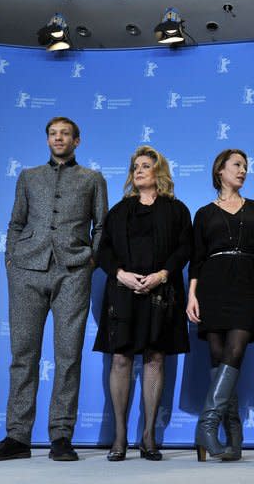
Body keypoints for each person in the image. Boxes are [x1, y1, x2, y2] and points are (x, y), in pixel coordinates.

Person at [0, 117, 108, 462]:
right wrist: (11, 260)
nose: (59, 138)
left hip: (73, 273)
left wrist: (90, 260)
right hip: (26, 272)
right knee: (23, 356)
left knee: (68, 357)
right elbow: (16, 222)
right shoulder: (28, 176)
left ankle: (61, 437)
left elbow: (101, 226)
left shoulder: (92, 179)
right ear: (47, 139)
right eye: (53, 133)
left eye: (65, 133)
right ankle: (17, 437)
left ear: (77, 140)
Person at [93, 146, 192, 461]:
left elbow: (185, 248)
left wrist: (162, 275)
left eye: (145, 166)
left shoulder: (176, 210)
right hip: (122, 292)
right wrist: (119, 274)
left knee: (155, 359)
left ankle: (149, 436)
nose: (138, 171)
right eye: (135, 166)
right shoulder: (119, 211)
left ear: (158, 173)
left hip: (161, 293)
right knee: (120, 359)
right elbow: (103, 250)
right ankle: (119, 437)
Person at [186, 149, 254, 461]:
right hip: (212, 285)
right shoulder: (204, 213)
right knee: (218, 355)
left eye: (246, 167)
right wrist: (192, 294)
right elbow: (196, 258)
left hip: (249, 283)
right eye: (237, 165)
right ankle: (233, 434)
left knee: (235, 351)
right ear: (220, 170)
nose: (243, 170)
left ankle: (206, 426)